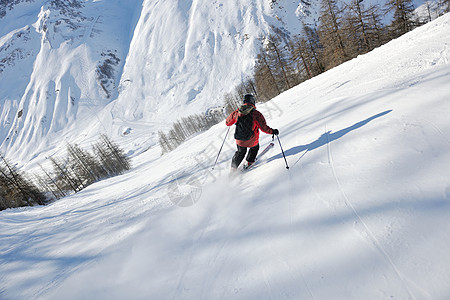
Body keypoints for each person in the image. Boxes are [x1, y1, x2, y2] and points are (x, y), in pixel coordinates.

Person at [226, 94, 279, 170]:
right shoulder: (256, 114)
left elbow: (227, 122)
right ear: (253, 102)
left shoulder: (237, 112)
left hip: (239, 140)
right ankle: (249, 162)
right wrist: (273, 131)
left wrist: (235, 118)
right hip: (252, 140)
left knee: (240, 152)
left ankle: (233, 168)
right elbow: (264, 128)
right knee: (254, 148)